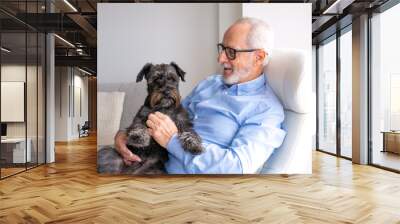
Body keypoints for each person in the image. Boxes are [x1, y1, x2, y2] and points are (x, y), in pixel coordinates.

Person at [114, 17, 286, 174]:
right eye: (222, 49)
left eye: (231, 52)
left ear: (258, 57)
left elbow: (236, 167)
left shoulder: (267, 111)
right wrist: (125, 135)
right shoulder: (210, 83)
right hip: (146, 161)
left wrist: (172, 141)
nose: (220, 59)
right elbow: (169, 116)